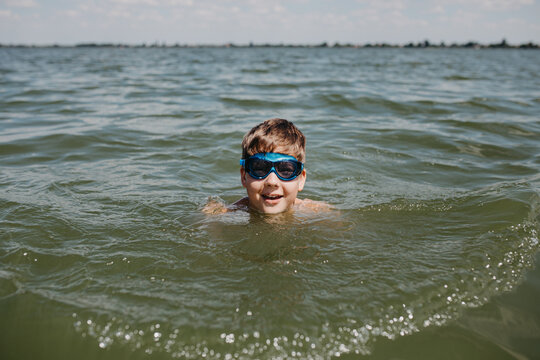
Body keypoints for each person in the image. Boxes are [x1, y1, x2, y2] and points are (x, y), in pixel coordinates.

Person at [203, 118, 329, 214]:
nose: (272, 181)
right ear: (243, 176)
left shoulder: (319, 213)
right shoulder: (225, 215)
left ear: (301, 179)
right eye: (259, 168)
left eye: (285, 170)